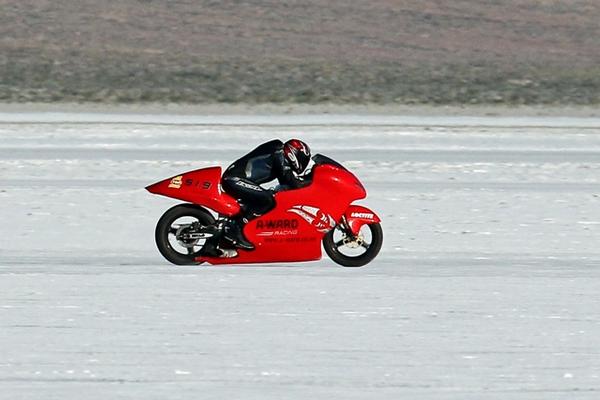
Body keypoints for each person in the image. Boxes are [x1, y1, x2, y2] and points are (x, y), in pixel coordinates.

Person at [220, 138, 312, 250]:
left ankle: (231, 231)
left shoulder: (278, 152)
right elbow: (291, 182)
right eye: (302, 159)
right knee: (267, 199)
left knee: (268, 196)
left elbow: (288, 181)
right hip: (234, 179)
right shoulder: (279, 154)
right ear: (294, 154)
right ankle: (236, 230)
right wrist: (312, 179)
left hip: (235, 179)